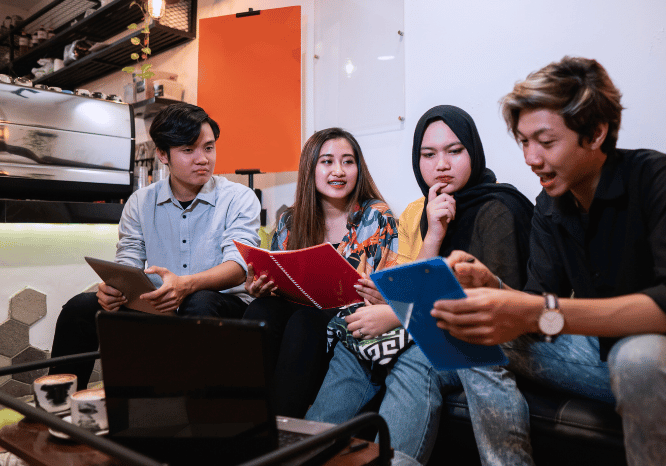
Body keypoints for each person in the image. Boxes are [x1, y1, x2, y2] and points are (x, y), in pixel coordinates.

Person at [431, 56, 666, 466]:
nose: (530, 158)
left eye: (545, 142)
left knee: (638, 358)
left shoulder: (660, 178)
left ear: (596, 132)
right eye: (523, 142)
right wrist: (493, 289)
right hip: (611, 355)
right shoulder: (550, 206)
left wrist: (540, 310)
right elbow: (540, 314)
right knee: (477, 330)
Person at [305, 105, 534, 464]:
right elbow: (412, 282)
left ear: (472, 151)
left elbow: (494, 304)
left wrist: (397, 314)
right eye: (428, 155)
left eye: (454, 151)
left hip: (479, 333)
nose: (440, 164)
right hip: (425, 321)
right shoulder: (419, 211)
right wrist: (431, 238)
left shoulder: (499, 208)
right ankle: (303, 451)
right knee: (353, 336)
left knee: (419, 356)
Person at [50, 103, 262, 389]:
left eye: (209, 148)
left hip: (223, 308)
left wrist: (185, 285)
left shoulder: (239, 197)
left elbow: (239, 267)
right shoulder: (140, 202)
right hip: (157, 308)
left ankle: (197, 413)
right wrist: (115, 287)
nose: (203, 159)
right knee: (81, 308)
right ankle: (58, 407)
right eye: (188, 150)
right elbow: (128, 259)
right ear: (163, 154)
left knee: (200, 301)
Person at [242, 127, 398, 418]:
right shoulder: (291, 220)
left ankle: (280, 428)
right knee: (262, 310)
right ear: (310, 169)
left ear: (358, 168)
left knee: (305, 321)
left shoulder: (376, 216)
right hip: (298, 312)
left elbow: (384, 292)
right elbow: (281, 280)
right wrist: (261, 286)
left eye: (348, 161)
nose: (338, 171)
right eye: (327, 161)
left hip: (347, 324)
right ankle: (243, 416)